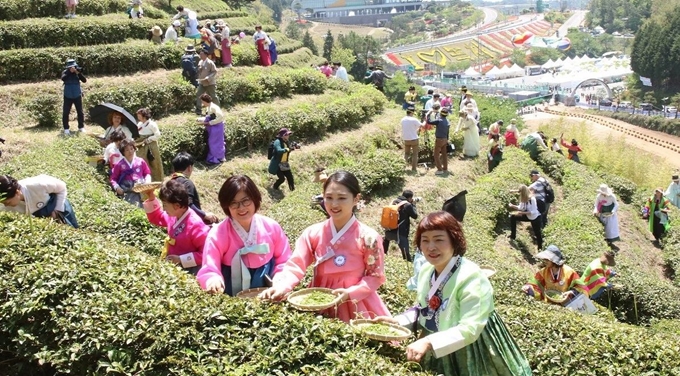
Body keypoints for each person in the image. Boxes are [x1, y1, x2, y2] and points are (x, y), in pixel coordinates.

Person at [374, 211, 532, 375]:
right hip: (436, 342)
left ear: (454, 241)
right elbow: (424, 310)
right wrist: (396, 323)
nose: (431, 247)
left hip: (472, 345)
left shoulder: (472, 277)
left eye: (439, 240)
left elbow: (470, 328)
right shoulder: (426, 271)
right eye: (425, 240)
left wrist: (428, 341)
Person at [260, 171, 391, 322]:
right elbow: (296, 265)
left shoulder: (369, 237)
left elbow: (375, 277)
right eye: (329, 198)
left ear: (356, 199)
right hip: (318, 299)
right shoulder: (313, 232)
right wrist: (282, 286)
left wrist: (350, 293)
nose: (334, 204)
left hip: (355, 303)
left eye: (342, 198)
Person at [197, 175, 292, 296]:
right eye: (234, 203)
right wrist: (213, 280)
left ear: (255, 199)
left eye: (246, 201)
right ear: (226, 206)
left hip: (268, 290)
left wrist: (280, 280)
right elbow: (210, 267)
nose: (241, 208)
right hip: (230, 290)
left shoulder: (271, 226)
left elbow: (284, 259)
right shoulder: (217, 234)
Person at [143, 179, 209, 275]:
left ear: (177, 205)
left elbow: (206, 253)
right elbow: (157, 217)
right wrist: (151, 196)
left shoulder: (196, 225)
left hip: (190, 271)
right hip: (173, 267)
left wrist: (180, 259)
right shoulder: (173, 215)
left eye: (165, 205)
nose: (164, 209)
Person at [0, 174, 79, 228]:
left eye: (8, 202)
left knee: (72, 228)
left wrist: (57, 210)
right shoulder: (4, 206)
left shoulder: (37, 185)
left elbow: (62, 187)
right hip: (39, 216)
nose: (6, 205)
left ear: (17, 192)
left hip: (57, 204)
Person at [522, 245, 588, 304]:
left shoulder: (569, 272)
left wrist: (571, 292)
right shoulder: (543, 272)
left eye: (547, 260)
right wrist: (528, 288)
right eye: (544, 259)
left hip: (566, 306)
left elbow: (581, 288)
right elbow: (535, 284)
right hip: (549, 304)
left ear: (554, 260)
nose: (545, 261)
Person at [170, 152, 218, 224]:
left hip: (176, 222)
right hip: (191, 223)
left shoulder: (171, 183)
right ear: (189, 168)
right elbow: (189, 205)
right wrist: (204, 215)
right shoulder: (187, 183)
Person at [110, 138, 151, 207]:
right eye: (127, 150)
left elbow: (147, 173)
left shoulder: (140, 161)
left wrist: (147, 182)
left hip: (141, 190)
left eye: (132, 149)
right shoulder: (119, 165)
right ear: (123, 152)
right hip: (127, 191)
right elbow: (113, 179)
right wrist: (117, 187)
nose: (130, 152)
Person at [383, 190, 418, 262]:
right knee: (407, 257)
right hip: (400, 233)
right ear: (410, 198)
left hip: (389, 230)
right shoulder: (407, 205)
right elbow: (415, 216)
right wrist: (413, 204)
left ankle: (383, 257)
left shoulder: (393, 201)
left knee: (384, 247)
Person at [508, 185, 543, 251]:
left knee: (537, 233)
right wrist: (512, 206)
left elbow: (534, 211)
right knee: (513, 217)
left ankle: (540, 248)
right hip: (528, 216)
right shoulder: (523, 199)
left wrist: (522, 213)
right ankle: (513, 236)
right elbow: (520, 208)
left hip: (535, 218)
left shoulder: (532, 199)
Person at [195, 94, 225, 166]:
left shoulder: (214, 107)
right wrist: (200, 120)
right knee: (213, 143)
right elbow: (208, 117)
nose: (202, 103)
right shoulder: (209, 107)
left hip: (217, 128)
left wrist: (210, 123)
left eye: (202, 101)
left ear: (205, 101)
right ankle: (215, 158)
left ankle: (216, 159)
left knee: (215, 143)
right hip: (213, 128)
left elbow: (220, 117)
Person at [135, 108, 163, 182]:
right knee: (142, 162)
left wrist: (149, 139)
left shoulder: (152, 124)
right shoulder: (139, 124)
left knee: (154, 163)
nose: (138, 116)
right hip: (141, 146)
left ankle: (157, 180)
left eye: (139, 115)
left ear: (144, 115)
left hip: (151, 146)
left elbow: (158, 135)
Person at [61, 59, 87, 135]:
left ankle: (81, 127)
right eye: (70, 67)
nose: (72, 68)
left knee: (80, 112)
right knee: (66, 112)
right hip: (67, 95)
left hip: (77, 94)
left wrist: (78, 73)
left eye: (73, 67)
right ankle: (66, 129)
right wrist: (70, 72)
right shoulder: (65, 72)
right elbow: (63, 78)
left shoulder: (77, 72)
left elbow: (84, 80)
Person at [427, 108, 451, 175]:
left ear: (440, 114)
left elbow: (429, 122)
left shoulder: (439, 120)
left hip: (439, 140)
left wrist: (428, 114)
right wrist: (447, 140)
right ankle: (445, 168)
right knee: (444, 154)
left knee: (436, 154)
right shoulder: (447, 121)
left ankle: (439, 169)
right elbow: (447, 132)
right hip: (445, 139)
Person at [195, 48, 219, 115]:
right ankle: (198, 110)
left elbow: (214, 71)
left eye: (201, 54)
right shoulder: (200, 62)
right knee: (198, 94)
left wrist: (208, 77)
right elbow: (199, 71)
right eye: (200, 54)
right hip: (202, 82)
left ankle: (217, 109)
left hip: (210, 83)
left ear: (206, 55)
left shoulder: (210, 62)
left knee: (213, 96)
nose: (200, 55)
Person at [401, 106, 421, 172]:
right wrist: (425, 120)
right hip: (414, 139)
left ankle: (402, 167)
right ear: (412, 113)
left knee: (406, 154)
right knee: (415, 154)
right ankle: (414, 169)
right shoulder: (414, 119)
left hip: (406, 139)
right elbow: (421, 125)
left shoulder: (403, 119)